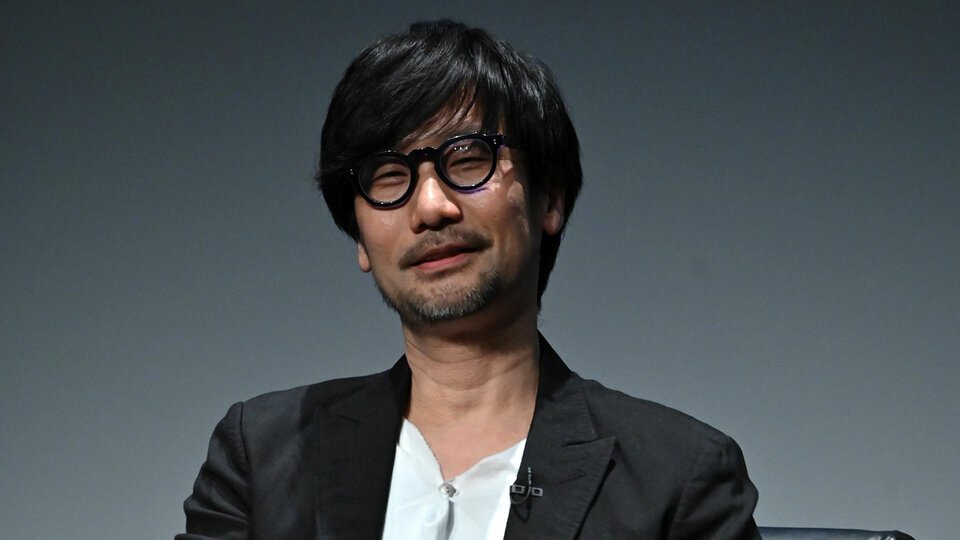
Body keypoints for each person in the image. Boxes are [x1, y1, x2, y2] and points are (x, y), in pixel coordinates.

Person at [178, 20, 760, 540]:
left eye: (467, 159)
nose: (431, 207)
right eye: (388, 175)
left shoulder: (676, 476)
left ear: (549, 199)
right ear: (359, 238)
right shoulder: (265, 452)